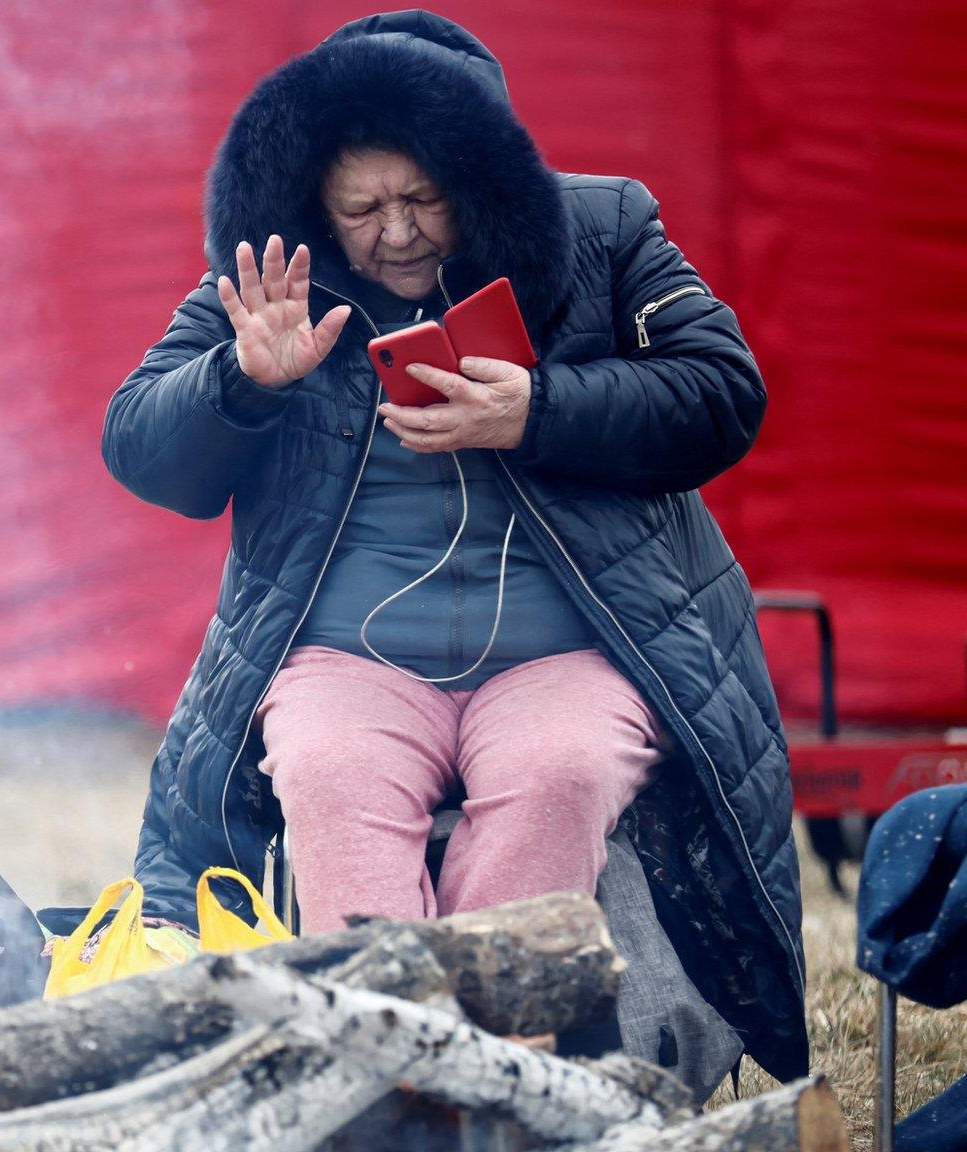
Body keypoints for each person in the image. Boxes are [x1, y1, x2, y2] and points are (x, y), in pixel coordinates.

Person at [103, 11, 806, 1082]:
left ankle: (489, 1078)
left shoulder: (607, 231)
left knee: (556, 772)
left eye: (420, 199)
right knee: (329, 772)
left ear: (479, 178)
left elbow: (721, 395)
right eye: (361, 209)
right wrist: (241, 382)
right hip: (347, 663)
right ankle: (396, 1073)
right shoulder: (267, 276)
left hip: (566, 657)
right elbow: (138, 447)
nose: (393, 233)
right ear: (316, 205)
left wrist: (540, 409)